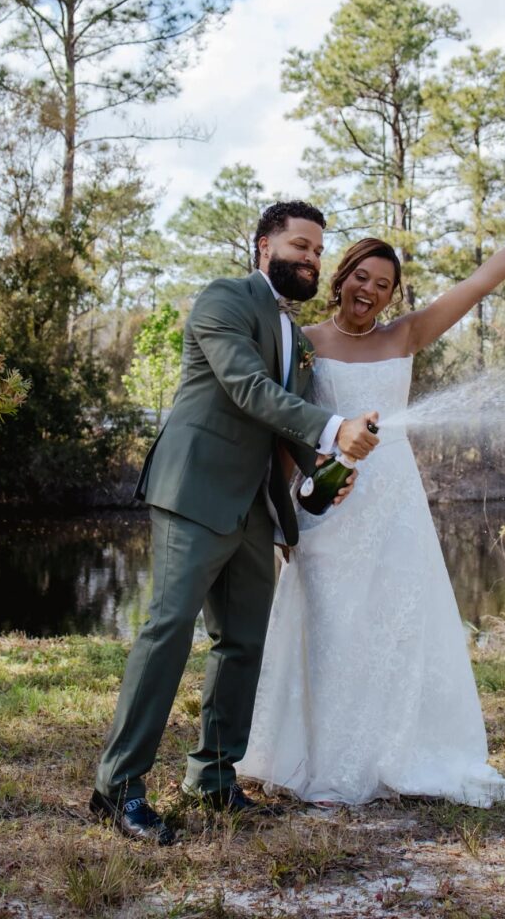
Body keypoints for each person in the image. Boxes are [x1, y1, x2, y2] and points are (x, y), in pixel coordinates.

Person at [238, 191, 505, 806]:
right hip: (329, 505)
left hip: (396, 505)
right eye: (360, 277)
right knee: (331, 629)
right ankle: (326, 759)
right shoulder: (303, 341)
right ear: (339, 278)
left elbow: (481, 281)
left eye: (383, 284)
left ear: (393, 295)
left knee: (395, 628)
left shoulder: (406, 336)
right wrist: (292, 510)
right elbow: (285, 430)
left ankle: (394, 751)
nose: (369, 291)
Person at [90, 200, 379, 843]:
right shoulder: (223, 299)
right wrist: (336, 427)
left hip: (255, 502)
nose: (311, 258)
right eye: (300, 246)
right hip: (195, 491)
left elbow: (291, 413)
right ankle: (117, 787)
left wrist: (321, 470)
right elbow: (247, 388)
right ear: (263, 246)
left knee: (243, 642)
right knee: (167, 631)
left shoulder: (297, 339)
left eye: (317, 251)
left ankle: (214, 778)